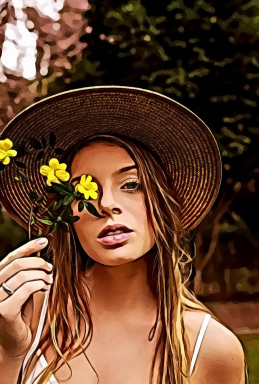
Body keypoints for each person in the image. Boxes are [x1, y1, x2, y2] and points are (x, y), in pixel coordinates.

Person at [0, 86, 247, 384]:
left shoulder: (210, 348)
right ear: (66, 217)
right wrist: (12, 353)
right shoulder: (20, 317)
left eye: (130, 184)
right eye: (83, 190)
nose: (106, 204)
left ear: (161, 203)